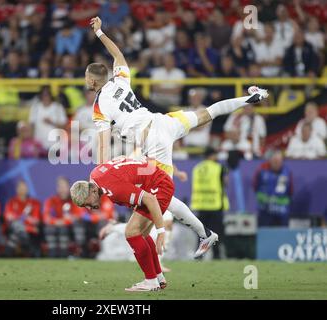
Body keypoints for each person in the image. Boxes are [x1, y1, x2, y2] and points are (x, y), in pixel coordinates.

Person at [85, 16, 268, 263]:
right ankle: (250, 98)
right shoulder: (120, 80)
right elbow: (118, 55)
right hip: (163, 122)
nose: (86, 82)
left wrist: (102, 171)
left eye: (86, 78)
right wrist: (100, 33)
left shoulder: (99, 106)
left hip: (153, 141)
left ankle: (204, 234)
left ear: (93, 80)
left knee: (162, 198)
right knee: (207, 113)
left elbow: (104, 144)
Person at [70, 156, 217, 292]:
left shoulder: (111, 188)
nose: (89, 208)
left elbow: (150, 200)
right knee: (140, 234)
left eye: (87, 203)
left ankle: (151, 281)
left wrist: (160, 232)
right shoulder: (94, 178)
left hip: (158, 186)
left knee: (131, 232)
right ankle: (158, 278)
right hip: (153, 180)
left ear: (93, 191)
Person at [191, 148, 229, 259]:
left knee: (201, 234)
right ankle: (216, 256)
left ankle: (199, 256)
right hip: (215, 205)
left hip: (201, 205)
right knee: (216, 234)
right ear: (212, 155)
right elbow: (225, 183)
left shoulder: (197, 168)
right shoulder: (219, 168)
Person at [43, 176, 85, 258]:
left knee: (77, 226)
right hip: (55, 226)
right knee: (49, 228)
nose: (62, 189)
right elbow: (46, 217)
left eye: (64, 187)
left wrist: (65, 222)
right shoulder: (51, 201)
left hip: (70, 228)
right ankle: (52, 253)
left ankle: (76, 253)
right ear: (57, 188)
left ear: (69, 188)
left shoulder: (76, 200)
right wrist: (57, 222)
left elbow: (79, 216)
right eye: (60, 187)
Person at [254, 150, 293, 226]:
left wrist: (281, 201)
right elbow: (255, 187)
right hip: (265, 209)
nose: (277, 164)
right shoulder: (262, 171)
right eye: (274, 161)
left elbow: (290, 191)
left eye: (279, 161)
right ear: (270, 161)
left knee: (283, 233)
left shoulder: (287, 172)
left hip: (282, 210)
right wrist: (264, 198)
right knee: (264, 231)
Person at [3, 180, 41, 257]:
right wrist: (27, 223)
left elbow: (35, 220)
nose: (22, 190)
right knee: (16, 225)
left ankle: (7, 255)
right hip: (20, 228)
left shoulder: (34, 203)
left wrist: (18, 218)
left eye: (24, 188)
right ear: (17, 189)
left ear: (27, 189)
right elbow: (8, 217)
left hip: (24, 232)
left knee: (15, 235)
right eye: (20, 188)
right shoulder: (11, 202)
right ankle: (28, 248)